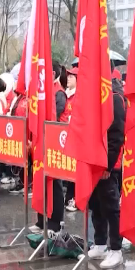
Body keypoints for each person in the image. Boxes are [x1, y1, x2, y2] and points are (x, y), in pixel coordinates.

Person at [88, 64, 127, 270]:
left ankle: (116, 249)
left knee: (111, 207)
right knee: (96, 204)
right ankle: (100, 243)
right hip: (93, 160)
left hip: (108, 164)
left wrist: (108, 166)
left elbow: (116, 136)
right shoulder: (94, 94)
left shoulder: (114, 97)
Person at [61, 67, 77, 211]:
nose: (68, 79)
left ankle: (74, 198)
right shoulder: (65, 94)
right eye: (68, 76)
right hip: (64, 134)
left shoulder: (79, 96)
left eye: (72, 77)